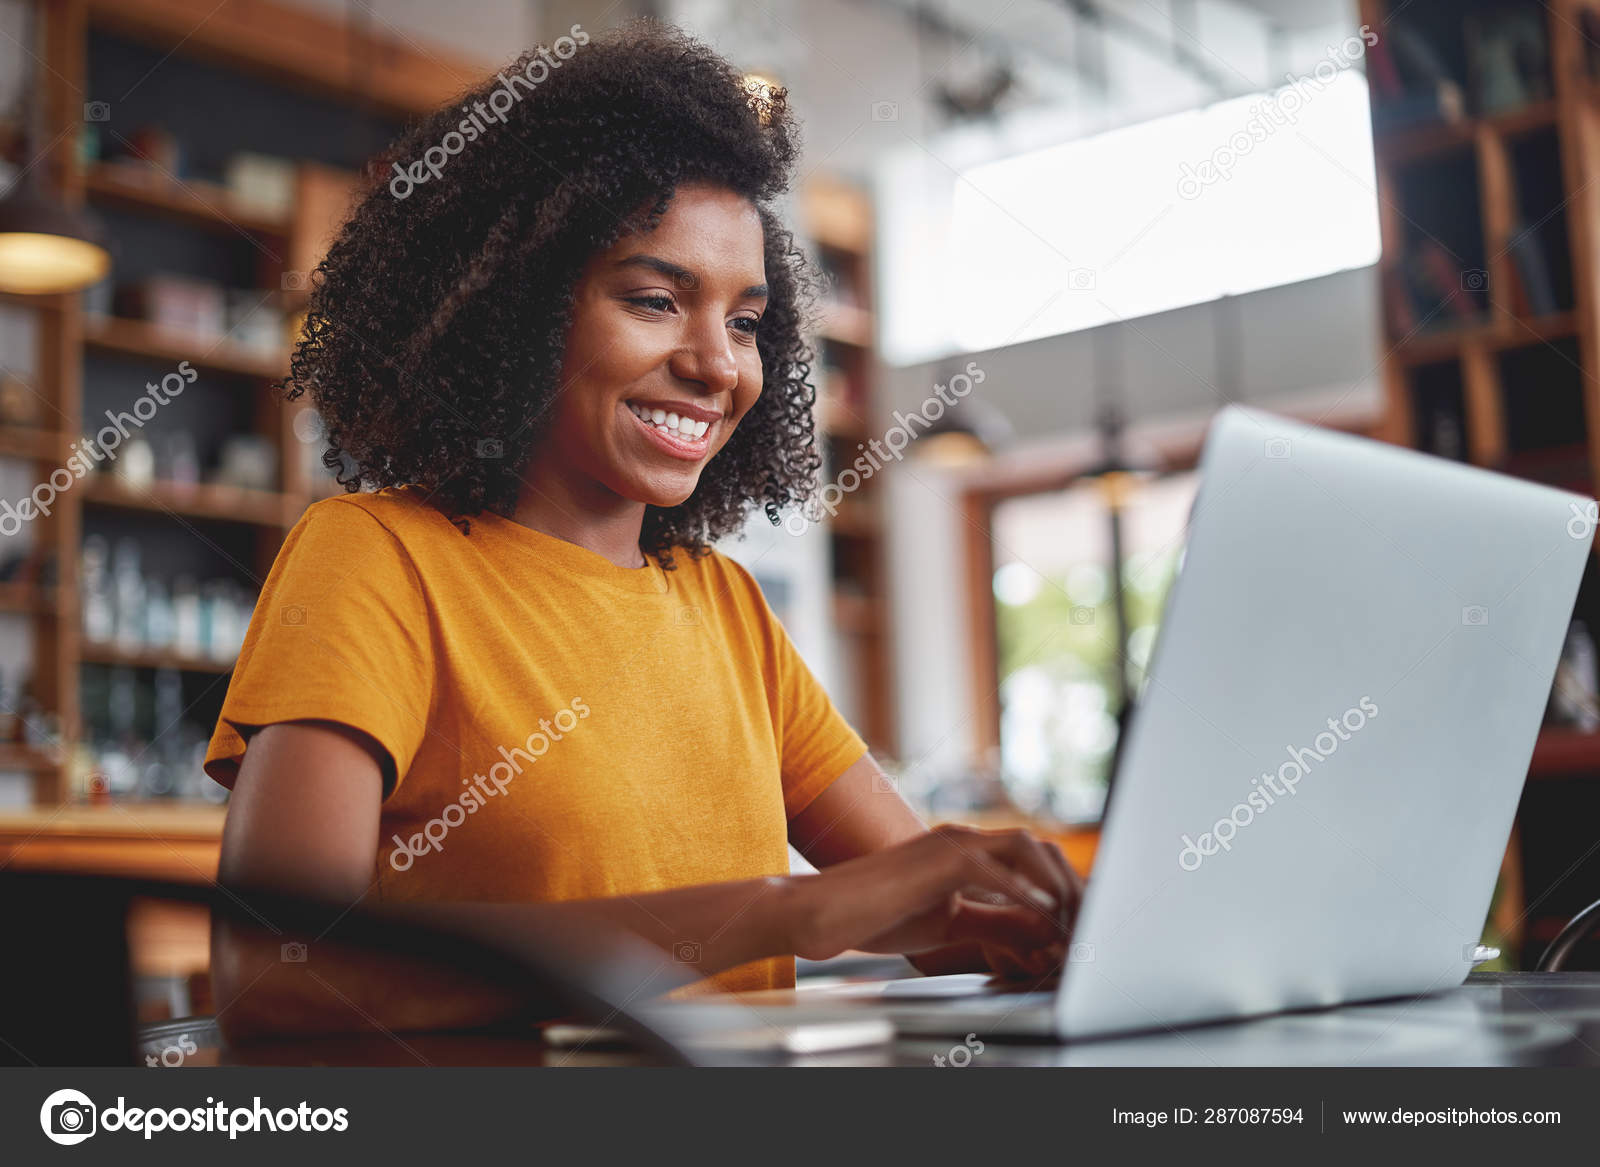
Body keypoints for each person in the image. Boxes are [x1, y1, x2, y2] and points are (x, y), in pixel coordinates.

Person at [204, 20, 1081, 1040]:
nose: (718, 365)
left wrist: (1060, 925)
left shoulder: (724, 607)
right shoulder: (378, 559)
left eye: (747, 322)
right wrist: (781, 912)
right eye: (657, 301)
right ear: (515, 312)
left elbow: (934, 917)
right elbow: (276, 983)